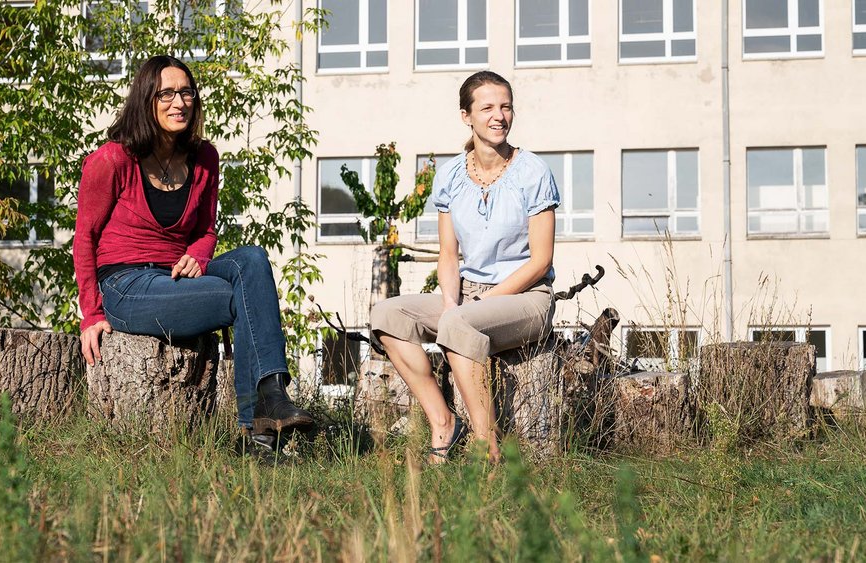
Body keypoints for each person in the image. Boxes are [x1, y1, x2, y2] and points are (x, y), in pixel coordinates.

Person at [73, 55, 312, 456]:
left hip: (179, 276)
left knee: (252, 258)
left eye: (186, 92)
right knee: (242, 300)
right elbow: (85, 238)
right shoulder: (112, 159)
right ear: (146, 100)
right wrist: (92, 314)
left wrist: (200, 256)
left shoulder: (204, 158)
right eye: (166, 93)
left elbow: (204, 230)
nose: (178, 102)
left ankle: (271, 393)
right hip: (127, 286)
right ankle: (258, 431)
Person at [370, 71, 559, 463]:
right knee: (387, 314)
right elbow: (448, 255)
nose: (499, 116)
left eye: (506, 106)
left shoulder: (533, 171)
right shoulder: (451, 175)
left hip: (526, 299)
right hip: (471, 295)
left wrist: (474, 308)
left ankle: (487, 449)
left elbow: (541, 261)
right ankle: (444, 422)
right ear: (466, 116)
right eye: (487, 107)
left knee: (457, 324)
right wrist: (454, 302)